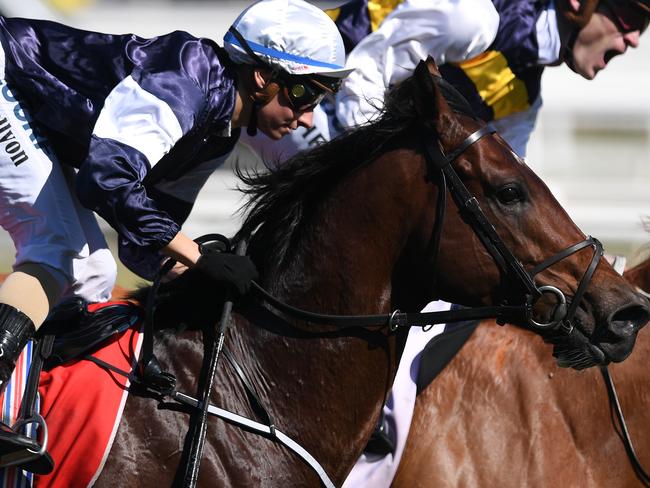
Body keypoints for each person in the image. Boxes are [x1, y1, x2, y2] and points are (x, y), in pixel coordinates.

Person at [236, 0, 649, 486]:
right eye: (628, 19)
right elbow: (364, 74)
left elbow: (509, 207)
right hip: (301, 103)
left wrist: (564, 267)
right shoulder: (474, 17)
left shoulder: (525, 94)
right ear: (578, 4)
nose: (635, 40)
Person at [0, 0, 351, 470]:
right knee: (59, 247)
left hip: (23, 99)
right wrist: (198, 257)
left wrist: (198, 273)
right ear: (263, 75)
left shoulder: (220, 130)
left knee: (95, 272)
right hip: (5, 76)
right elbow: (107, 178)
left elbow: (147, 238)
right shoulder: (188, 75)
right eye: (305, 95)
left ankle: (26, 408)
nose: (307, 119)